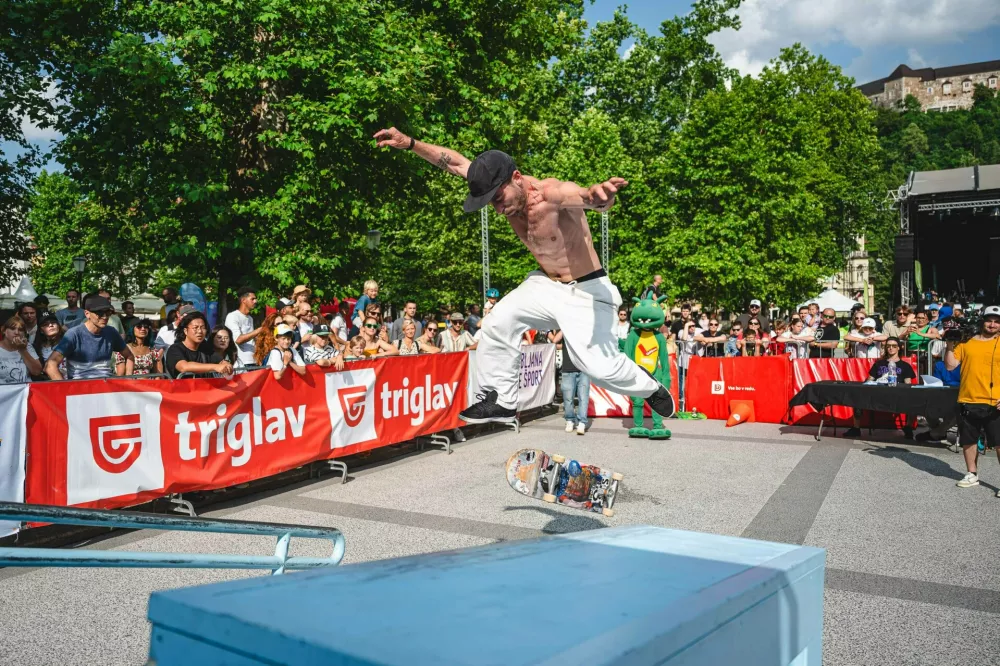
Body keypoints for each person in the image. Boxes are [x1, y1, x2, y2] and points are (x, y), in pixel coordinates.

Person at [374, 128, 673, 425]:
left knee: (598, 367)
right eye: (491, 202)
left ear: (516, 177)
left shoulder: (551, 194)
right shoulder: (498, 186)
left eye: (499, 198)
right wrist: (410, 143)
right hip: (545, 286)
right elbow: (454, 162)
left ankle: (648, 387)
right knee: (495, 322)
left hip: (587, 291)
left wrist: (600, 198)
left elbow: (583, 196)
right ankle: (503, 400)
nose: (498, 207)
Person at [944, 305, 1000, 492]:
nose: (992, 325)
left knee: (999, 442)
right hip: (968, 399)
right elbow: (951, 365)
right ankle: (972, 474)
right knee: (968, 440)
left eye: (996, 321)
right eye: (989, 320)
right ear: (982, 321)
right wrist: (950, 345)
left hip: (995, 402)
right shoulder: (967, 342)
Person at [843, 337, 917, 438]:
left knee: (914, 399)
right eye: (888, 346)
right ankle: (856, 428)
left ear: (899, 348)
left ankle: (908, 427)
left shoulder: (905, 366)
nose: (891, 348)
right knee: (858, 397)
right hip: (878, 394)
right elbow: (869, 380)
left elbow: (908, 384)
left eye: (894, 346)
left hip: (898, 395)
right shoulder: (879, 364)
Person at [45, 295, 132, 380]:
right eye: (100, 313)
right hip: (80, 387)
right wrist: (65, 390)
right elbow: (50, 365)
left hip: (106, 386)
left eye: (108, 313)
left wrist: (128, 379)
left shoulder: (111, 332)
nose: (105, 317)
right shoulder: (74, 334)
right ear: (87, 314)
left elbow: (129, 356)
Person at [165, 312, 232, 379]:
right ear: (185, 331)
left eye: (203, 328)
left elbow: (221, 361)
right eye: (195, 328)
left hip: (204, 389)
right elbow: (184, 367)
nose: (200, 331)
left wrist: (226, 365)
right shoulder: (175, 349)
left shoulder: (205, 348)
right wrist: (215, 367)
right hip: (182, 389)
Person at [224, 287, 262, 366]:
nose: (255, 301)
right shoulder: (233, 316)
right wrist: (258, 330)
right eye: (252, 299)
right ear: (243, 300)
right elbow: (238, 339)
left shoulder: (250, 318)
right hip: (241, 363)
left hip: (253, 361)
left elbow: (251, 339)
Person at [0, 316, 42, 384]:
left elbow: (36, 372)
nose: (16, 332)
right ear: (4, 330)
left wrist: (22, 350)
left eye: (20, 330)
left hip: (24, 390)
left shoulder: (27, 346)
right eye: (12, 329)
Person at [560, 348, 590, 435]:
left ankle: (582, 422)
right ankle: (570, 420)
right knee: (568, 397)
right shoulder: (565, 333)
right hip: (568, 368)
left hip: (584, 368)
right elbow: (555, 340)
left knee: (583, 397)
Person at [32, 313, 65, 379]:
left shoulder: (69, 342)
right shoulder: (37, 349)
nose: (50, 325)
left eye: (53, 323)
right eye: (46, 324)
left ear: (58, 326)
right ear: (41, 330)